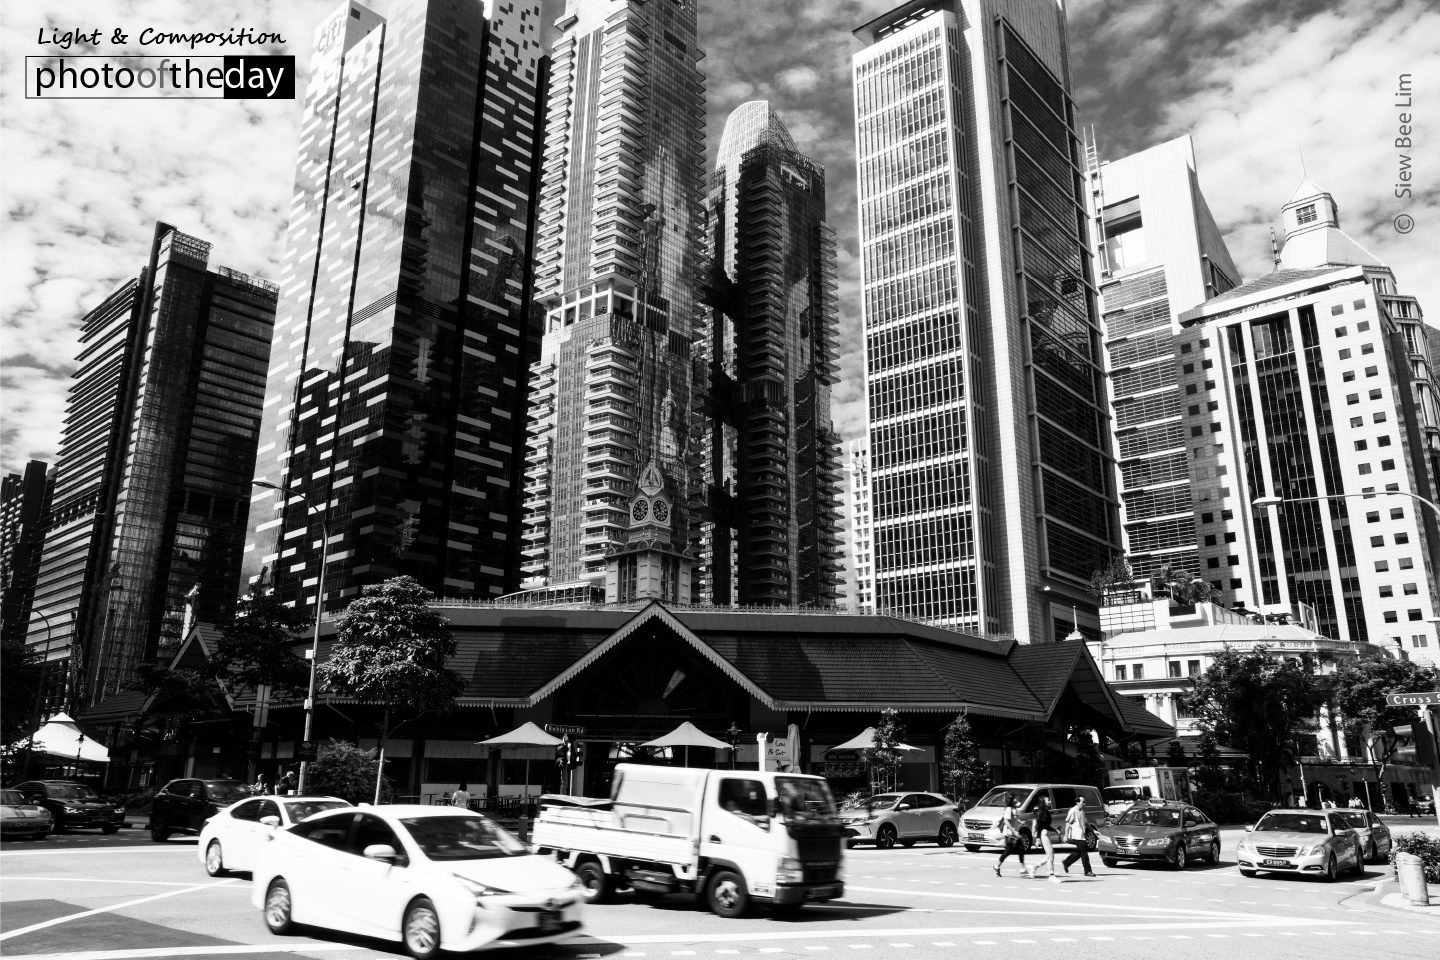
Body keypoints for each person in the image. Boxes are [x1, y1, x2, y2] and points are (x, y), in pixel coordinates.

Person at [994, 794, 1032, 878]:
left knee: (1021, 849)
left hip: (1014, 832)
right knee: (1009, 850)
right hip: (1009, 833)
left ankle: (1022, 869)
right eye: (1014, 799)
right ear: (1011, 800)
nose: (1016, 800)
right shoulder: (1008, 809)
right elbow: (1006, 821)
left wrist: (1020, 822)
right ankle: (997, 866)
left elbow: (1015, 818)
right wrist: (1014, 831)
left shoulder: (1014, 809)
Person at [1061, 795, 1095, 877]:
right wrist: (1065, 835)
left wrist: (1094, 831)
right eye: (1083, 802)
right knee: (1084, 853)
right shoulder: (1072, 811)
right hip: (1077, 836)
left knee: (1079, 852)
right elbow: (1068, 823)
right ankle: (1087, 871)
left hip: (1082, 835)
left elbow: (1086, 823)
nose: (1084, 804)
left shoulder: (1082, 811)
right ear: (1077, 802)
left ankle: (1066, 862)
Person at [1034, 796, 1060, 883]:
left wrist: (1055, 830)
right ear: (1043, 802)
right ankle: (1051, 875)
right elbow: (1039, 826)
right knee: (1050, 854)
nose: (1049, 801)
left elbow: (1046, 825)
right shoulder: (1041, 812)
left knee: (1050, 854)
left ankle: (1035, 867)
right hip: (1043, 834)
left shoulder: (1047, 812)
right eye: (1047, 800)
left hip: (1046, 833)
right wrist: (1038, 838)